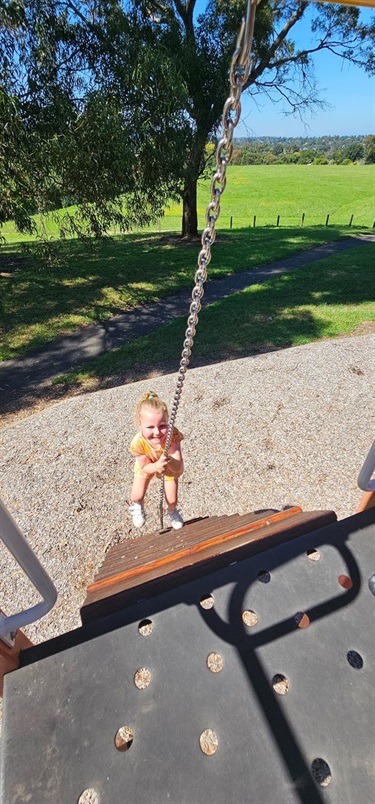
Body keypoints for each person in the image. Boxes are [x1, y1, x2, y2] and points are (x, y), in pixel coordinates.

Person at [129, 391, 184, 529]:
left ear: (168, 423)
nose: (157, 432)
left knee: (172, 500)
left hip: (168, 464)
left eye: (162, 426)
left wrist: (169, 460)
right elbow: (145, 467)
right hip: (148, 463)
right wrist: (156, 466)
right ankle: (137, 507)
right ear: (139, 425)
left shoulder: (172, 436)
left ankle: (172, 511)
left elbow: (178, 468)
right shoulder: (138, 443)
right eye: (150, 427)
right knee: (136, 495)